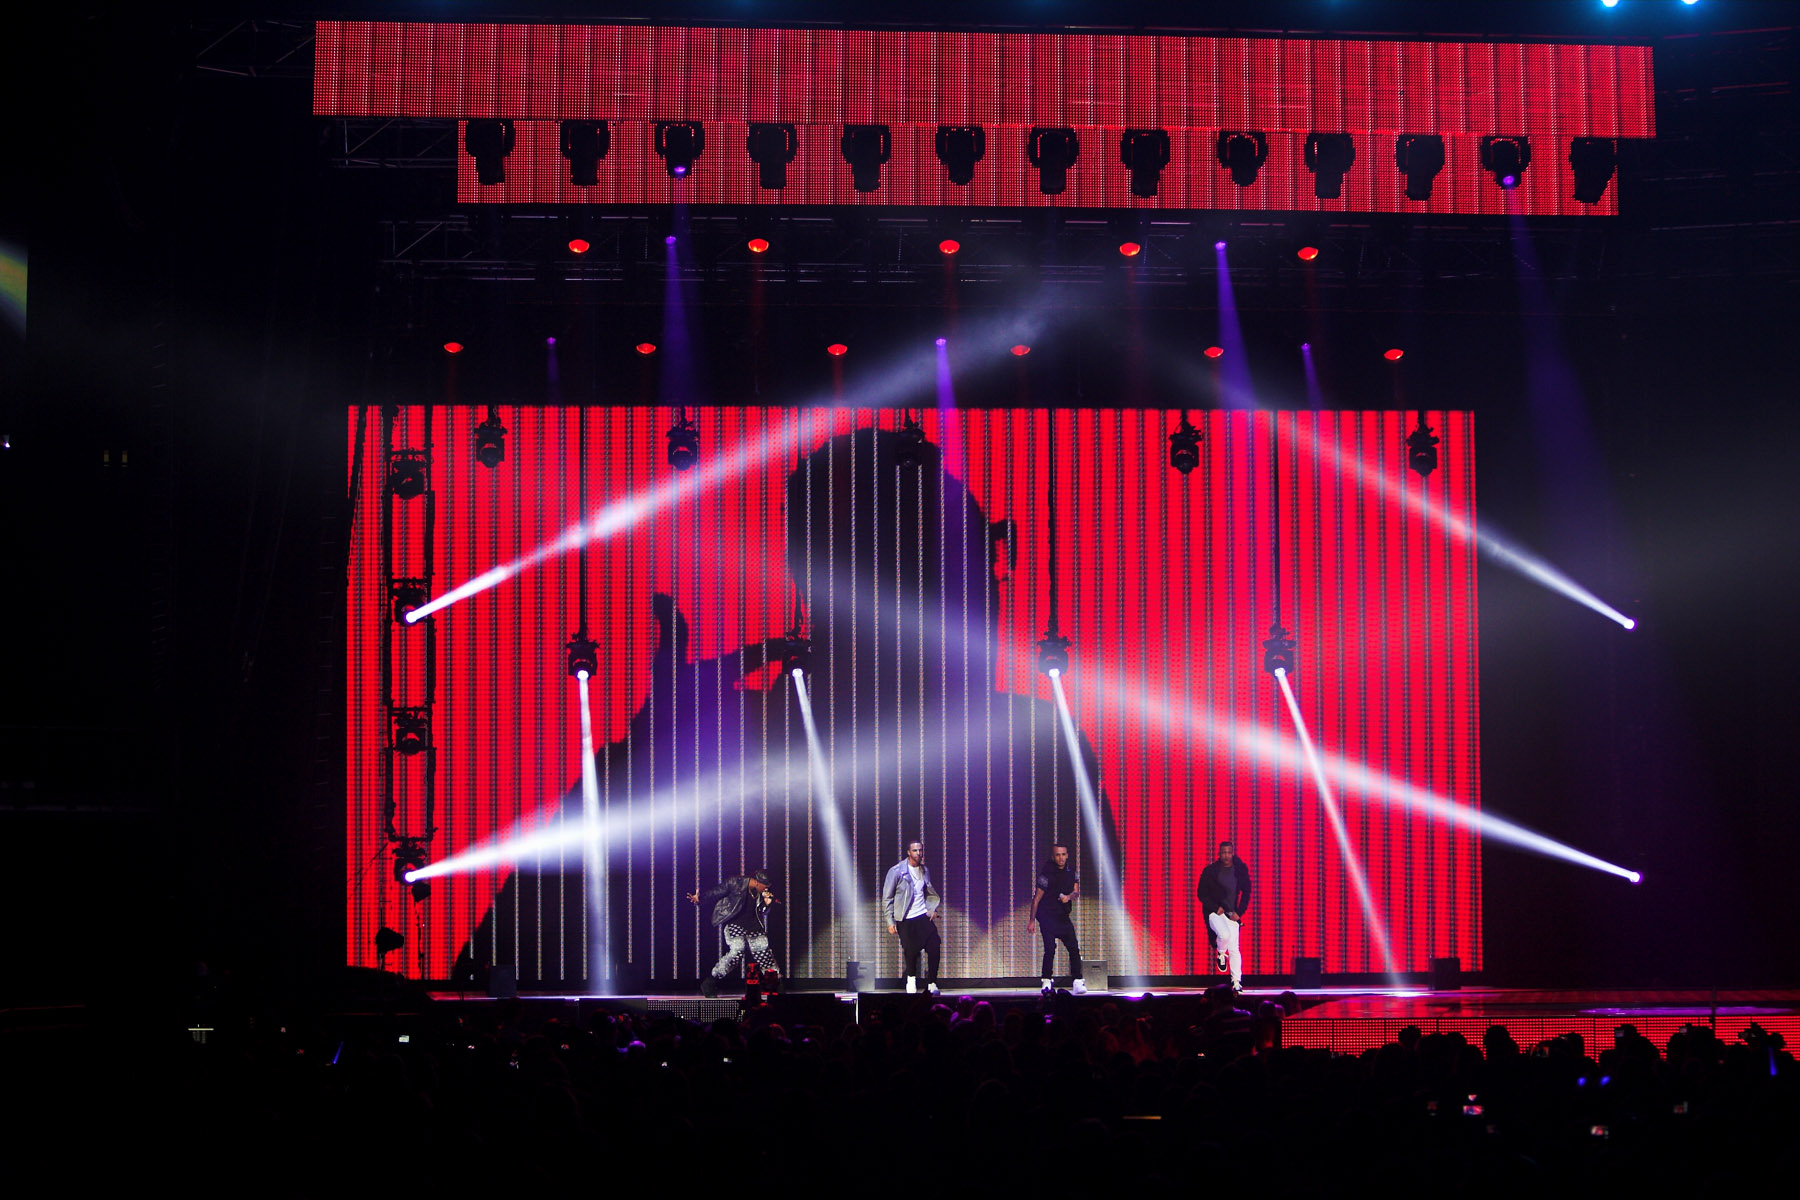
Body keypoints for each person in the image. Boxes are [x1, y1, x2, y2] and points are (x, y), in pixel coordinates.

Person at [687, 869, 780, 997]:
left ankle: (776, 985)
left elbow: (764, 911)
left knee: (765, 954)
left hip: (754, 925)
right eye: (765, 886)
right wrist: (700, 899)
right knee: (737, 950)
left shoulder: (762, 892)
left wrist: (767, 904)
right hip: (735, 923)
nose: (766, 889)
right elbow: (716, 892)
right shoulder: (736, 882)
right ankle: (710, 981)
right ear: (757, 882)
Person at [1026, 842, 1087, 995]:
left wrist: (1069, 897)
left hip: (1062, 917)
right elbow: (1036, 899)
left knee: (1074, 948)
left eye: (1063, 854)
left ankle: (1077, 981)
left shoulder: (1072, 872)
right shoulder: (1046, 874)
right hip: (1047, 917)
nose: (1061, 858)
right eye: (1058, 855)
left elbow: (1076, 892)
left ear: (1067, 855)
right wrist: (1032, 921)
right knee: (1050, 949)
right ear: (1053, 857)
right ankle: (1047, 981)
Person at [882, 840, 941, 994]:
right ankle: (911, 980)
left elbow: (927, 893)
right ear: (908, 852)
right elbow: (887, 898)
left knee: (934, 946)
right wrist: (890, 921)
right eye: (915, 850)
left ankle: (932, 983)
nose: (918, 853)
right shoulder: (896, 871)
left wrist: (932, 909)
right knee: (911, 951)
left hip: (922, 916)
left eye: (920, 850)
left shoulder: (924, 870)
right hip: (906, 918)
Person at [1195, 840, 1251, 992]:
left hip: (1232, 913)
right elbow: (1201, 893)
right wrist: (1215, 907)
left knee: (1234, 948)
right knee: (1224, 935)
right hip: (1214, 912)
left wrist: (1239, 912)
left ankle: (1236, 982)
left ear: (1232, 853)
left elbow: (1247, 891)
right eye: (1223, 852)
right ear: (1219, 854)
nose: (1226, 855)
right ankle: (1220, 953)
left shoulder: (1239, 870)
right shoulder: (1211, 871)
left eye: (1229, 852)